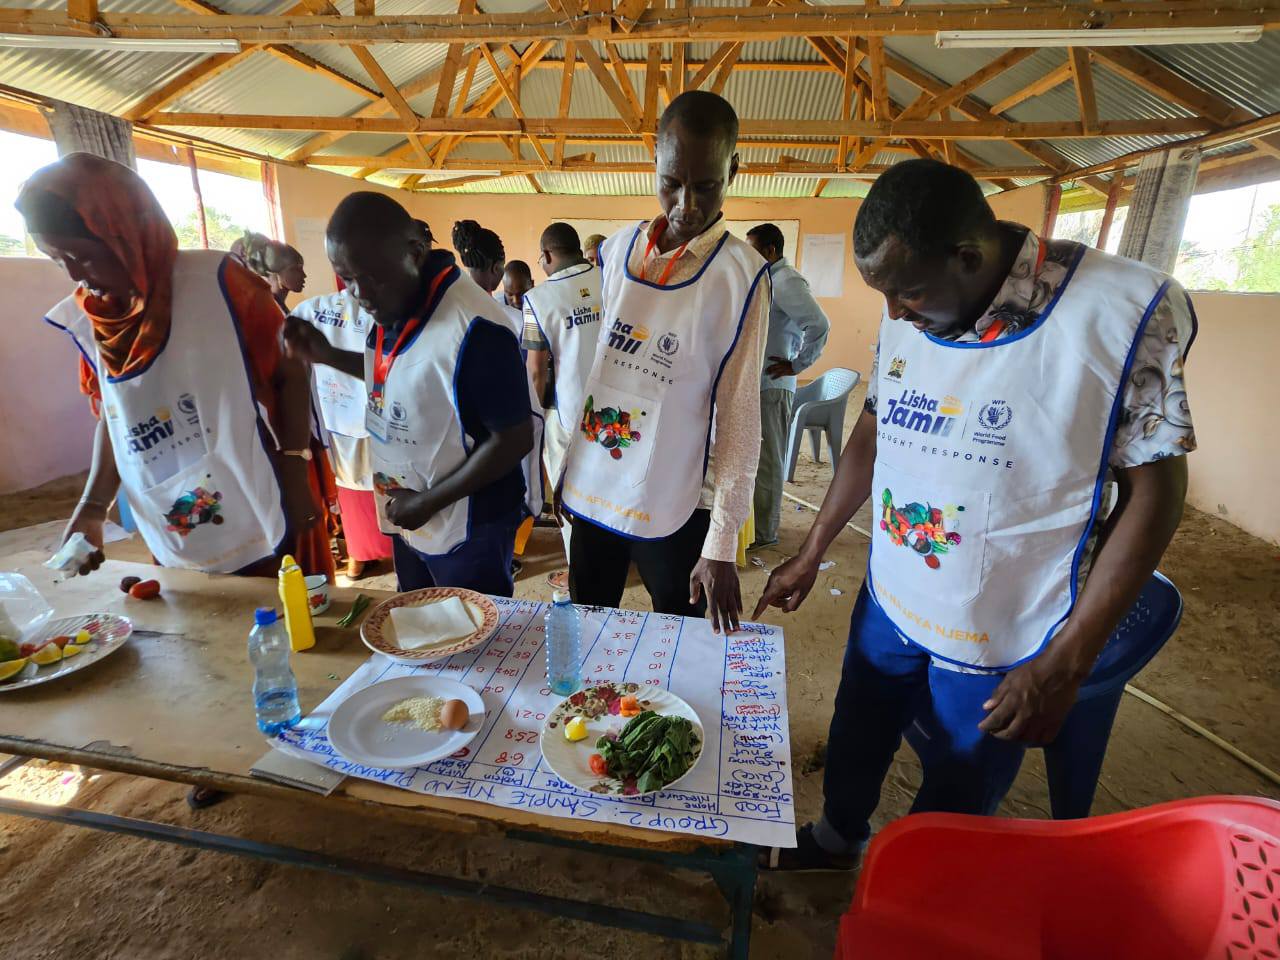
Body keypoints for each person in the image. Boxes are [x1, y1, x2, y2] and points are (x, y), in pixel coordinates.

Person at [754, 159, 1196, 870]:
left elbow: (1156, 492)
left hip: (1006, 621)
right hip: (894, 592)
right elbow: (874, 430)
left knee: (962, 775)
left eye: (908, 293)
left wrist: (1066, 661)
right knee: (859, 725)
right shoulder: (913, 299)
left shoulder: (1116, 314)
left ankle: (921, 891)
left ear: (969, 256)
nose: (895, 313)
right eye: (886, 296)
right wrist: (813, 550)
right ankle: (839, 837)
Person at [22, 153, 333, 584]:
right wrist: (91, 509)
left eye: (83, 256)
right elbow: (116, 418)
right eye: (57, 259)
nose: (74, 274)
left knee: (292, 625)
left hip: (264, 500)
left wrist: (298, 471)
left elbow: (291, 373)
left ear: (124, 235)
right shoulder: (93, 321)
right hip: (174, 526)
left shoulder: (221, 285)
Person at [559, 91, 769, 633]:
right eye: (672, 183)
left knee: (679, 638)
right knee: (590, 627)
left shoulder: (740, 277)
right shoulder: (616, 251)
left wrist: (722, 542)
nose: (686, 206)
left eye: (706, 186)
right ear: (653, 158)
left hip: (673, 497)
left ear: (734, 170)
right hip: (596, 482)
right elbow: (592, 376)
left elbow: (740, 418)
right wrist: (563, 470)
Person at [285, 193, 535, 596]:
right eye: (347, 278)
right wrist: (327, 355)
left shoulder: (475, 328)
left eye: (372, 277)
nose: (360, 294)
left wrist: (429, 502)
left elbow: (513, 437)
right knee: (420, 622)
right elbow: (398, 374)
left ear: (415, 252)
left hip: (467, 523)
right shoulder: (393, 303)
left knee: (471, 633)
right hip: (410, 511)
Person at [290, 286, 394, 580]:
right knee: (369, 486)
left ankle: (359, 555)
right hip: (364, 414)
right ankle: (367, 553)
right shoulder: (378, 311)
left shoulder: (310, 309)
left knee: (351, 485)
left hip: (332, 412)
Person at [745, 222, 830, 549]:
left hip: (773, 384)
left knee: (768, 458)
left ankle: (766, 533)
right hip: (760, 385)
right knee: (756, 456)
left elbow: (819, 325)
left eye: (754, 251)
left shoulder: (785, 280)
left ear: (770, 250)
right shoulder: (768, 280)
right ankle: (756, 526)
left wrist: (797, 364)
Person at [521, 222, 603, 562]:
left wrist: (535, 418)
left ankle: (581, 562)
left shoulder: (537, 300)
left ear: (548, 255)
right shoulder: (608, 280)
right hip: (618, 409)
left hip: (568, 414)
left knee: (570, 492)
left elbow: (537, 370)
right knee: (612, 486)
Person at [234, 231, 306, 309]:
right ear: (273, 271)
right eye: (296, 269)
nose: (304, 275)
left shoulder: (275, 309)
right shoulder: (266, 311)